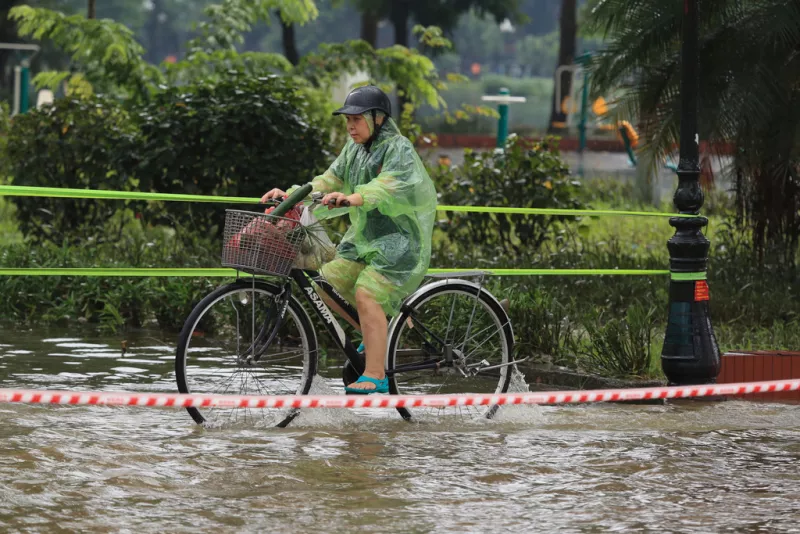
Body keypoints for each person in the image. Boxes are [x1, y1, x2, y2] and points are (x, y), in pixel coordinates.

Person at [261, 85, 437, 394]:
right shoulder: (353, 150)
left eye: (356, 119)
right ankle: (379, 335)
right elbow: (327, 180)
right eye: (347, 119)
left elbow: (389, 184)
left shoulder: (398, 148)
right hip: (364, 241)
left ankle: (375, 373)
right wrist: (289, 197)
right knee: (324, 284)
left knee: (367, 292)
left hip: (399, 245)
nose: (350, 126)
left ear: (378, 118)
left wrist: (355, 197)